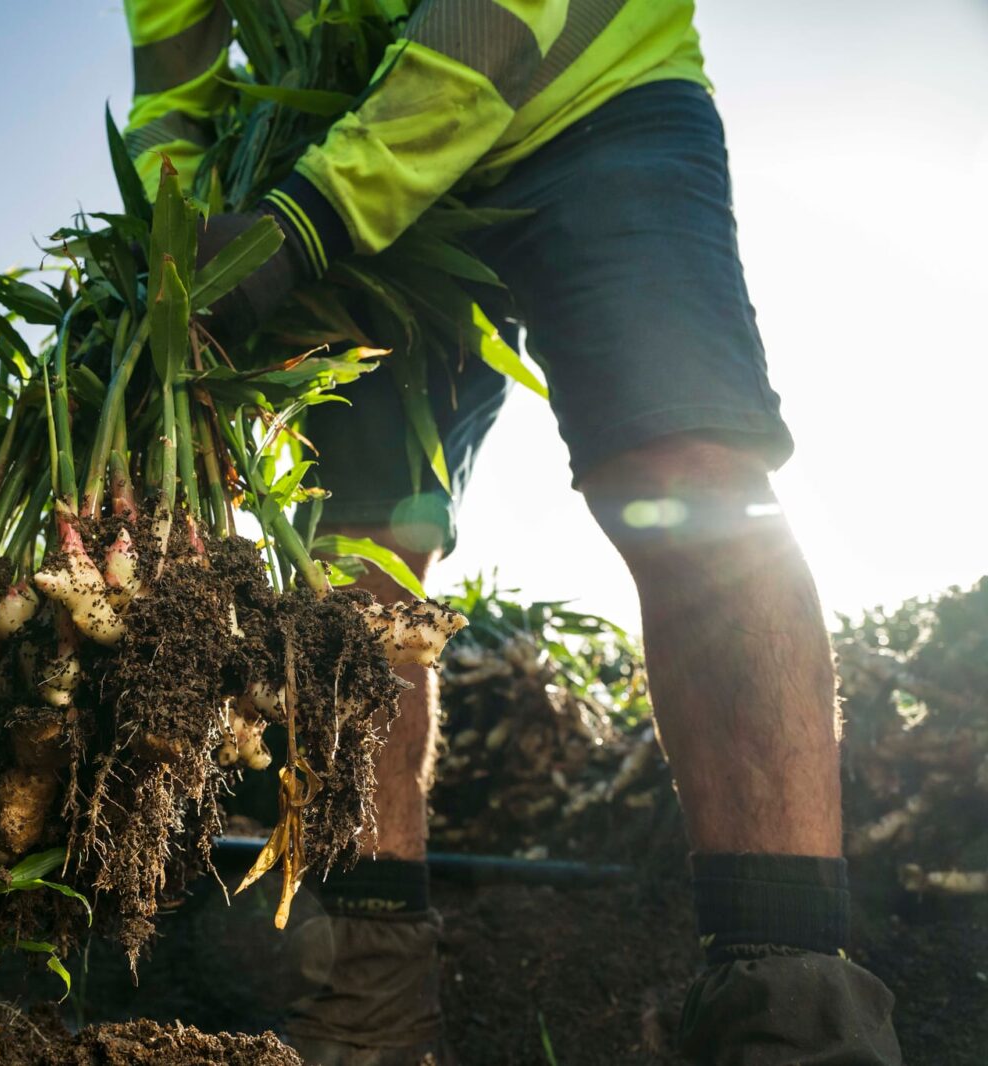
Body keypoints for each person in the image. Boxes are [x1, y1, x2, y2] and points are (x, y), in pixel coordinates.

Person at [120, 2, 904, 1063]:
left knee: (689, 479)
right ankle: (370, 1009)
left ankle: (792, 1006)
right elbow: (176, 97)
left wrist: (300, 226)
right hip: (338, 141)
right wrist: (160, 265)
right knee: (353, 561)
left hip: (585, 96)